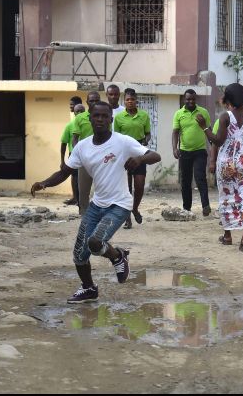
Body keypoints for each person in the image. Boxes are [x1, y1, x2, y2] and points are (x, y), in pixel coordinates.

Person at [32, 101, 162, 303]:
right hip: (96, 205)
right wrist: (44, 183)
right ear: (89, 118)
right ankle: (89, 288)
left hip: (119, 205)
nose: (100, 119)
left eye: (104, 116)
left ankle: (117, 256)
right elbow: (65, 172)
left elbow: (155, 155)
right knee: (79, 255)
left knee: (95, 242)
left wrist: (140, 160)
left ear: (111, 119)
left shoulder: (123, 141)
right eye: (96, 116)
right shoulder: (82, 147)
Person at [199, 83, 243, 251]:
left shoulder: (225, 117)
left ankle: (227, 235)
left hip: (226, 162)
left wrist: (204, 126)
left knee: (226, 197)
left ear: (228, 98)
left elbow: (217, 141)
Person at [113, 88, 151, 229]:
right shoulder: (119, 117)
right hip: (124, 154)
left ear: (136, 101)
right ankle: (127, 218)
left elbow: (148, 133)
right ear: (125, 101)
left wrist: (146, 141)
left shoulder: (144, 116)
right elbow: (115, 137)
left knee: (139, 185)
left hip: (139, 152)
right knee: (126, 188)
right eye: (128, 100)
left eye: (132, 99)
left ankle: (135, 208)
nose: (130, 102)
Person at [172, 89, 212, 216]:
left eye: (193, 99)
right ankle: (187, 208)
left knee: (200, 177)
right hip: (185, 151)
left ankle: (205, 206)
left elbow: (208, 129)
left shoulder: (203, 112)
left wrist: (213, 147)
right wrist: (174, 148)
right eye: (188, 99)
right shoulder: (179, 114)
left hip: (200, 150)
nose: (191, 101)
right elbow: (175, 132)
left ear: (196, 99)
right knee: (185, 180)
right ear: (184, 99)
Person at [72, 91, 101, 214]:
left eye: (96, 100)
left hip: (101, 158)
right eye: (91, 100)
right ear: (87, 102)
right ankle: (84, 213)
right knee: (83, 189)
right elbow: (75, 139)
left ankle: (100, 212)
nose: (94, 103)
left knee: (102, 188)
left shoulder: (103, 116)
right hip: (85, 158)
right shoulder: (80, 118)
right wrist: (78, 154)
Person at [61, 103, 86, 205]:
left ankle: (84, 200)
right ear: (74, 113)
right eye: (77, 111)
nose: (79, 113)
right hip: (74, 154)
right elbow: (63, 143)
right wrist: (62, 161)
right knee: (75, 177)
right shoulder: (69, 126)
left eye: (82, 111)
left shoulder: (89, 123)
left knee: (86, 178)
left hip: (87, 154)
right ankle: (76, 198)